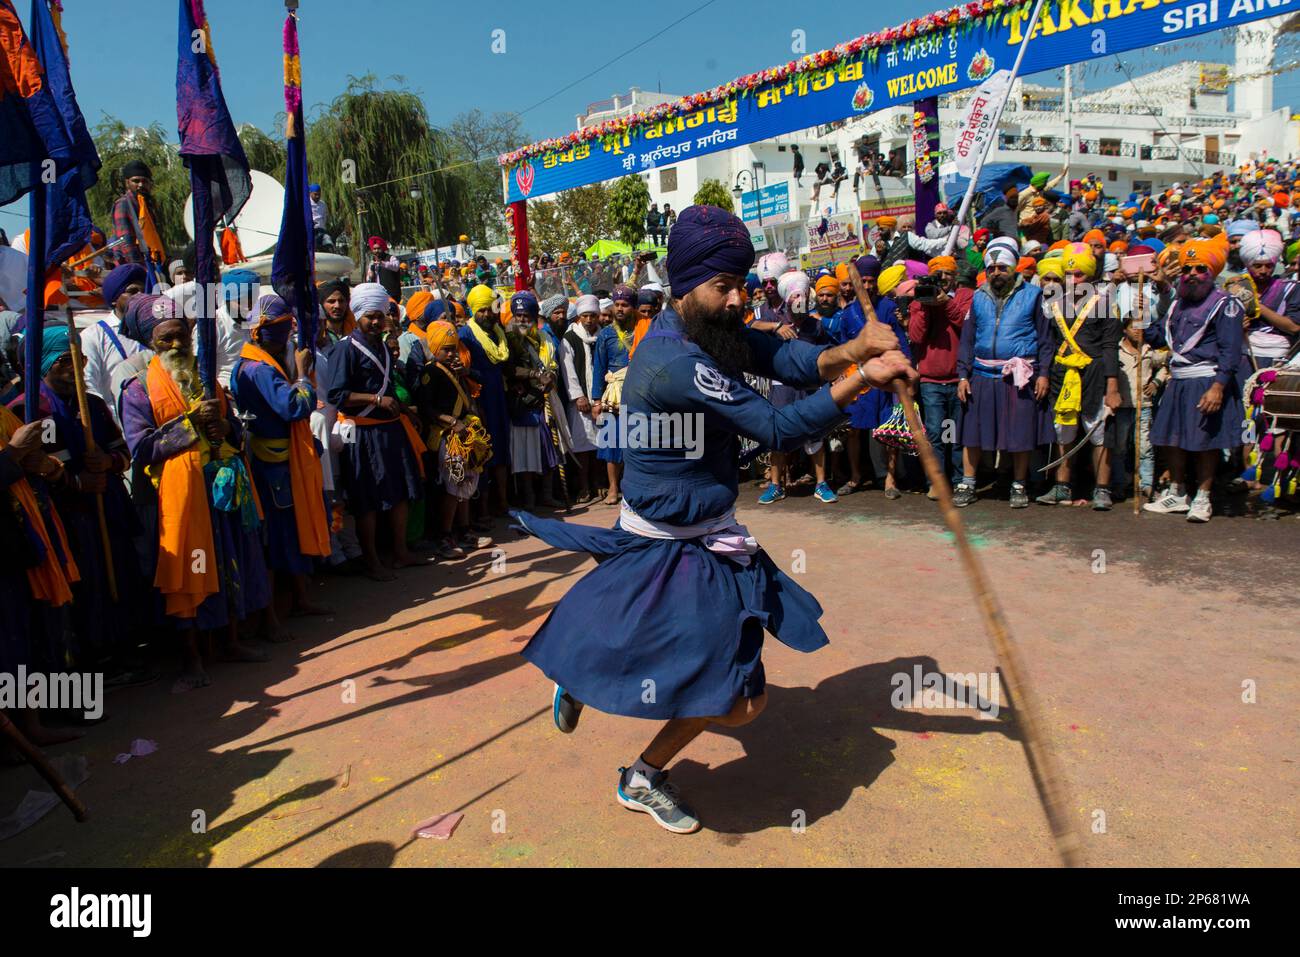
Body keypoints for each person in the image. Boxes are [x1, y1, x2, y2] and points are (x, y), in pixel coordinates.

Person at [511, 204, 914, 834]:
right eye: (721, 286)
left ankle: (606, 714)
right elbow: (779, 427)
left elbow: (782, 359)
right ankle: (639, 772)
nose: (736, 300)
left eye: (740, 284)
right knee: (736, 697)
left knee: (732, 695)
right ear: (683, 287)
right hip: (671, 543)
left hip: (708, 533)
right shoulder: (678, 363)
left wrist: (852, 348)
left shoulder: (710, 329)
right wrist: (864, 375)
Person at [118, 294, 271, 691]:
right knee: (191, 572)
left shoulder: (204, 377)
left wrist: (225, 427)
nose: (174, 346)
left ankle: (231, 641)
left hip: (221, 488)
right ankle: (192, 657)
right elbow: (141, 449)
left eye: (180, 337)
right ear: (150, 343)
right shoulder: (137, 389)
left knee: (229, 561)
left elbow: (232, 426)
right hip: (178, 500)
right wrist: (189, 425)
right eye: (165, 339)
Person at [229, 293, 333, 633]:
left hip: (286, 460)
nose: (286, 334)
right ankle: (270, 616)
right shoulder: (258, 369)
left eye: (288, 327)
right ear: (260, 332)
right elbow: (294, 406)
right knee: (276, 537)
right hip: (272, 465)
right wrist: (303, 375)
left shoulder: (260, 363)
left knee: (294, 527)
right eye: (279, 329)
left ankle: (301, 598)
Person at [322, 283, 428, 579]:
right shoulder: (344, 349)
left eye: (379, 316)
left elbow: (389, 385)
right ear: (357, 315)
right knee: (367, 500)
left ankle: (401, 552)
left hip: (391, 429)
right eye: (370, 316)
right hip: (362, 433)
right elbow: (337, 395)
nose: (376, 322)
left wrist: (405, 411)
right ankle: (372, 561)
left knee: (401, 491)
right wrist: (376, 400)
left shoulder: (382, 346)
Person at [1143, 239, 1244, 523]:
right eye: (1188, 269)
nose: (1192, 274)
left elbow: (1231, 351)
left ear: (1211, 272)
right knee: (1172, 439)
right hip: (1179, 380)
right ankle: (1176, 492)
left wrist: (1218, 386)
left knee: (1205, 441)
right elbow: (1161, 337)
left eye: (1200, 269)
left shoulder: (1226, 304)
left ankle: (1203, 496)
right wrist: (1137, 320)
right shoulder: (1178, 304)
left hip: (1206, 380)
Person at [954, 236, 1053, 509]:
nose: (996, 273)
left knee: (1019, 432)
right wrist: (963, 375)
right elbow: (968, 340)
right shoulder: (978, 297)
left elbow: (1046, 340)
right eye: (992, 269)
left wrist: (1043, 373)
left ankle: (1018, 483)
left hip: (1018, 376)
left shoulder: (1034, 296)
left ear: (1014, 268)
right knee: (971, 432)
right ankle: (969, 482)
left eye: (1002, 268)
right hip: (982, 374)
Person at [1034, 249, 1122, 511]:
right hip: (1062, 374)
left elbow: (1110, 347)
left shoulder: (1104, 303)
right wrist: (1045, 374)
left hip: (1094, 373)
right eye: (1068, 274)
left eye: (1078, 274)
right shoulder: (1053, 304)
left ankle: (1102, 489)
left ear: (1091, 274)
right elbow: (1048, 343)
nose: (1072, 279)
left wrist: (1112, 386)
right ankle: (1062, 487)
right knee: (1064, 432)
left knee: (1098, 432)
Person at [832, 260, 914, 499]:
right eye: (863, 281)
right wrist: (840, 377)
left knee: (888, 430)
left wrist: (904, 375)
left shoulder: (888, 308)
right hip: (859, 378)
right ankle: (856, 476)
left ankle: (890, 479)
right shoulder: (848, 315)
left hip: (886, 377)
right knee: (854, 431)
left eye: (871, 281)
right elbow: (843, 347)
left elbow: (901, 343)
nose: (867, 286)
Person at [757, 271, 838, 505]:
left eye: (802, 299)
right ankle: (775, 486)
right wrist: (775, 327)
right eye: (795, 300)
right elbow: (750, 326)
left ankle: (821, 484)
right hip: (782, 386)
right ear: (787, 301)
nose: (798, 304)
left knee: (816, 436)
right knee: (778, 436)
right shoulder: (774, 316)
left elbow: (829, 350)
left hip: (809, 388)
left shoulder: (815, 325)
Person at [417, 320, 491, 558]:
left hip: (465, 436)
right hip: (448, 438)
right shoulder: (430, 372)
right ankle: (445, 536)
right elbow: (426, 408)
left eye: (453, 348)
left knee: (468, 483)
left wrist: (466, 373)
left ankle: (465, 530)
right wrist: (451, 422)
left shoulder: (458, 370)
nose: (450, 353)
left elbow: (479, 386)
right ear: (435, 349)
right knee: (454, 485)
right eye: (446, 349)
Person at [908, 255, 971, 497]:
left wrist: (946, 303)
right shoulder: (919, 300)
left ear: (955, 276)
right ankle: (936, 481)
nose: (943, 279)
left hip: (958, 379)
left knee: (955, 435)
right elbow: (916, 336)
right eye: (939, 274)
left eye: (947, 274)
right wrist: (925, 305)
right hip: (931, 381)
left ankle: (957, 480)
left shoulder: (964, 296)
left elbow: (966, 325)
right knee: (935, 434)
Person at [459, 284, 512, 514]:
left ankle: (503, 502)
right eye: (481, 310)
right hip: (479, 402)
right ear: (473, 311)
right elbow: (462, 370)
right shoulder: (465, 335)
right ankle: (483, 509)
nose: (487, 314)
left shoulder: (499, 332)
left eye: (489, 309)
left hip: (499, 398)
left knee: (501, 450)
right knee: (482, 454)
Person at [79, 263, 148, 423]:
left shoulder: (155, 327)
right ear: (114, 300)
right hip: (122, 424)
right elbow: (90, 387)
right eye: (132, 291)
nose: (141, 296)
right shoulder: (93, 336)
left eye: (143, 290)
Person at [591, 285, 637, 504]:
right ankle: (612, 487)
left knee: (636, 441)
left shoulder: (641, 330)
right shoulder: (606, 334)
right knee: (612, 442)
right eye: (617, 305)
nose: (620, 309)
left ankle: (633, 486)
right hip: (613, 395)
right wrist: (596, 400)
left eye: (625, 305)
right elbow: (598, 368)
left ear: (632, 307)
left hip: (637, 392)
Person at [560, 296, 603, 502]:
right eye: (585, 316)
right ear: (578, 317)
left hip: (602, 399)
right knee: (583, 445)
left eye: (593, 316)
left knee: (601, 444)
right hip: (581, 401)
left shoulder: (603, 336)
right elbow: (568, 370)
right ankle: (584, 486)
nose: (589, 320)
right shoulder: (570, 339)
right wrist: (578, 396)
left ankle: (599, 483)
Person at [111, 159, 166, 268]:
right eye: (136, 181)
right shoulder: (124, 204)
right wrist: (140, 269)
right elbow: (126, 242)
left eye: (144, 181)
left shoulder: (146, 205)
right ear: (127, 183)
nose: (141, 185)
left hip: (151, 264)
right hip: (134, 267)